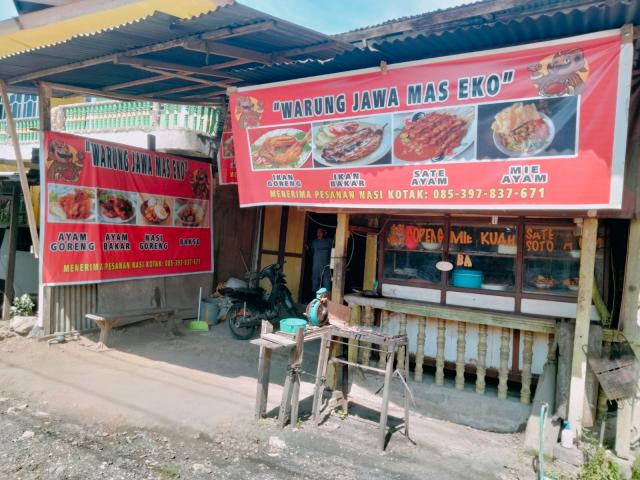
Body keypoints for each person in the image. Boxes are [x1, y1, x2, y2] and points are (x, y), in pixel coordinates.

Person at [310, 227, 333, 293]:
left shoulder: (330, 241)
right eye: (317, 233)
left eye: (320, 232)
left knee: (327, 284)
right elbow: (311, 253)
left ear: (324, 233)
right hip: (316, 267)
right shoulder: (314, 242)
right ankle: (315, 298)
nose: (318, 234)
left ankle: (327, 298)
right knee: (315, 283)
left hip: (326, 267)